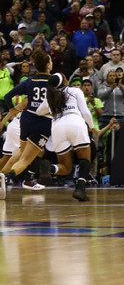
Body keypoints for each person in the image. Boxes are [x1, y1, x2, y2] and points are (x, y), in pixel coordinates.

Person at [1, 51, 55, 197]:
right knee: (26, 159)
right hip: (43, 122)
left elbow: (8, 96)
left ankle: (7, 174)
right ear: (48, 65)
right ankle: (6, 178)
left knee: (22, 151)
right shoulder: (54, 82)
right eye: (50, 61)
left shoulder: (30, 81)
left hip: (26, 119)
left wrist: (12, 110)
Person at [37, 73, 97, 201]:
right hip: (75, 121)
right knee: (85, 159)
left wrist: (51, 111)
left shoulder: (50, 96)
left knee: (66, 167)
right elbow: (85, 112)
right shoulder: (74, 90)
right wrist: (91, 127)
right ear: (64, 82)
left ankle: (50, 168)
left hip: (57, 126)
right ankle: (80, 189)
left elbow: (39, 112)